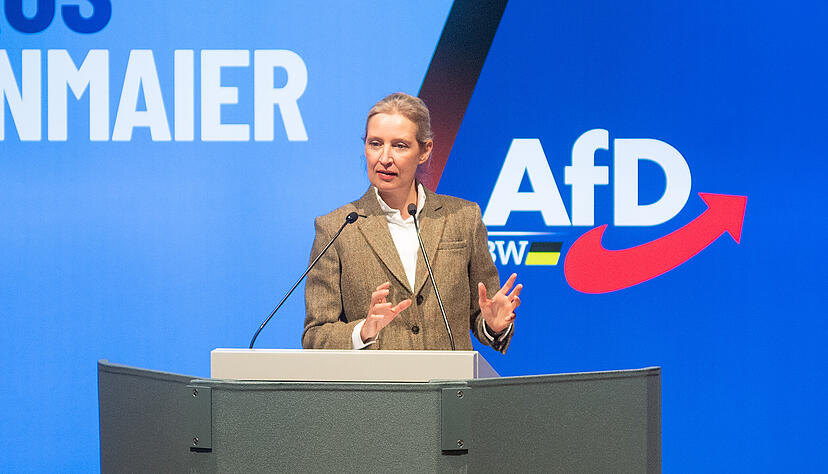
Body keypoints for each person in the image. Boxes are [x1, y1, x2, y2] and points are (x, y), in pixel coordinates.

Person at [302, 92, 521, 353]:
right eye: (375, 143)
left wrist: (493, 326)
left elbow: (484, 313)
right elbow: (315, 335)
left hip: (449, 378)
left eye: (400, 146)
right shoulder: (337, 228)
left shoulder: (463, 218)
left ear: (425, 151)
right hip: (377, 379)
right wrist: (363, 331)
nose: (385, 158)